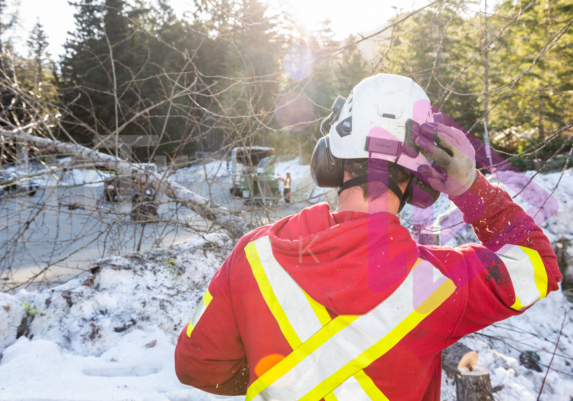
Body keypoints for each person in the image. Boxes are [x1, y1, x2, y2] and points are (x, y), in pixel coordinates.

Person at [174, 74, 561, 400]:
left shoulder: (253, 255)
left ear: (329, 159)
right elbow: (539, 263)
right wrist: (470, 187)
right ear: (422, 183)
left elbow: (197, 368)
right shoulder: (439, 285)